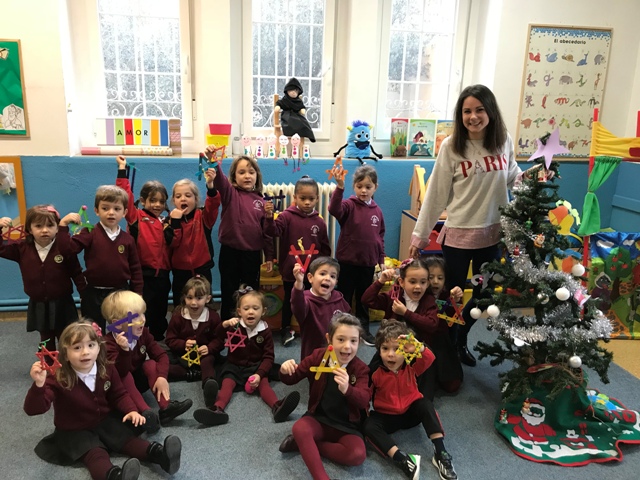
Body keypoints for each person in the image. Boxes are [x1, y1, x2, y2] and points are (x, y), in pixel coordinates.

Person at [409, 84, 527, 367]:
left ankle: (460, 338)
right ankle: (447, 347)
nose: (473, 117)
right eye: (466, 111)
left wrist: (533, 178)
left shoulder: (503, 140)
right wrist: (420, 235)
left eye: (479, 110)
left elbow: (512, 175)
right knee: (452, 297)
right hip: (459, 237)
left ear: (490, 111)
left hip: (494, 234)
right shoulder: (452, 146)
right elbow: (436, 193)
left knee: (484, 296)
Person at [23, 321, 182, 480]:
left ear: (99, 348)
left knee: (127, 440)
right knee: (95, 454)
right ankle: (115, 476)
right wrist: (38, 385)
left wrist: (131, 410)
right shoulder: (57, 377)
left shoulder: (106, 368)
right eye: (77, 347)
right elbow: (34, 409)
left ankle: (162, 456)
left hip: (104, 421)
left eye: (91, 345)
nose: (85, 352)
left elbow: (119, 394)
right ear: (65, 353)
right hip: (75, 430)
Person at [278, 312, 370, 480]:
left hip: (346, 426)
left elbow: (364, 400)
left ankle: (305, 445)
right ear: (329, 339)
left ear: (359, 342)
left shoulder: (361, 369)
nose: (347, 347)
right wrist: (285, 370)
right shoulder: (318, 356)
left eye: (353, 341)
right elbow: (293, 378)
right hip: (319, 418)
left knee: (357, 455)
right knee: (300, 428)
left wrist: (348, 389)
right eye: (341, 339)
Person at [364, 319, 458, 480]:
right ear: (379, 350)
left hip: (411, 415)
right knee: (368, 425)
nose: (390, 354)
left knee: (426, 404)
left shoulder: (411, 364)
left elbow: (429, 358)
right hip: (387, 417)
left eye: (396, 349)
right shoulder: (375, 371)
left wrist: (418, 347)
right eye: (385, 349)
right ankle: (401, 458)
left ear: (406, 350)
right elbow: (365, 395)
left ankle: (440, 452)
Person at [194, 286, 300, 426]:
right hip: (234, 365)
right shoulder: (235, 326)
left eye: (255, 308)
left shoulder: (265, 330)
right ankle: (217, 409)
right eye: (246, 309)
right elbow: (217, 336)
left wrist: (259, 374)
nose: (251, 312)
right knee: (227, 385)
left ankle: (277, 406)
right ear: (239, 312)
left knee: (264, 385)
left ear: (263, 311)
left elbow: (268, 357)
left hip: (256, 366)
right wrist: (224, 324)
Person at [361, 258, 462, 400]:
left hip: (419, 351)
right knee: (375, 377)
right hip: (395, 348)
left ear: (427, 283)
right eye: (412, 282)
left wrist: (406, 313)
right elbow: (367, 300)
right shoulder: (394, 297)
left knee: (440, 387)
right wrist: (380, 281)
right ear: (402, 282)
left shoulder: (428, 301)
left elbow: (432, 325)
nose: (418, 287)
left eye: (422, 282)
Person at [102, 290, 192, 433]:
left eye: (143, 314)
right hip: (119, 388)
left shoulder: (142, 333)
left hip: (137, 381)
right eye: (136, 317)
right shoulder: (108, 344)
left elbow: (161, 355)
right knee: (125, 375)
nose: (143, 320)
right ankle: (146, 412)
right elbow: (120, 373)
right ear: (117, 325)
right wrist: (124, 350)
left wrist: (162, 376)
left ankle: (165, 408)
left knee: (150, 364)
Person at [1, 205, 86, 351]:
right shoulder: (21, 249)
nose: (45, 230)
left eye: (50, 225)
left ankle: (69, 366)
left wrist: (85, 294)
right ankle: (48, 364)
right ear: (29, 229)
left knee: (67, 337)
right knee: (45, 338)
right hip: (39, 304)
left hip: (63, 303)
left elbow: (76, 272)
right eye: (38, 226)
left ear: (57, 228)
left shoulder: (64, 248)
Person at [58, 185, 143, 330]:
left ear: (124, 212)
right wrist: (63, 226)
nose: (111, 213)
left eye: (116, 209)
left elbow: (135, 268)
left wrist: (138, 294)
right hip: (94, 293)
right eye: (105, 208)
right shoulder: (89, 232)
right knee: (94, 330)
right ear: (96, 210)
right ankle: (97, 353)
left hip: (121, 292)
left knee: (121, 329)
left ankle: (119, 352)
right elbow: (68, 250)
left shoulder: (128, 239)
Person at [264, 175, 331, 346]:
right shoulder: (286, 217)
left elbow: (324, 247)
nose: (307, 202)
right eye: (303, 198)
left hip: (312, 272)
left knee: (312, 298)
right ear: (294, 198)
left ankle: (311, 326)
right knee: (289, 299)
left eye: (311, 199)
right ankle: (285, 328)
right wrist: (269, 217)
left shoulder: (320, 222)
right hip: (290, 271)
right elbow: (273, 232)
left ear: (317, 198)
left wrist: (325, 268)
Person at [115, 155, 174, 340]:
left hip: (163, 276)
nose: (157, 205)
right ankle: (137, 343)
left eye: (161, 201)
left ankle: (157, 340)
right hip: (142, 276)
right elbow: (124, 195)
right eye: (153, 200)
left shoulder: (166, 222)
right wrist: (122, 171)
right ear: (142, 200)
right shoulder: (136, 217)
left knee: (160, 310)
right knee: (140, 312)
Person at [211, 153, 275, 319]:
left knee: (250, 293)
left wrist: (269, 256)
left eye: (251, 172)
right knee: (228, 291)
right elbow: (219, 180)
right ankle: (227, 325)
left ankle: (249, 326)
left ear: (257, 176)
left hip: (252, 255)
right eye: (242, 172)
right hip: (230, 253)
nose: (247, 176)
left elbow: (267, 233)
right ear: (234, 176)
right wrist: (213, 161)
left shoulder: (261, 201)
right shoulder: (229, 193)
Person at [329, 164, 385, 345]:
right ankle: (342, 329)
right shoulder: (348, 205)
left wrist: (381, 259)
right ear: (354, 186)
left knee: (364, 298)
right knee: (344, 296)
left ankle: (363, 330)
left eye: (368, 187)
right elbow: (333, 209)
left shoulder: (377, 211)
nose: (363, 190)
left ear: (376, 187)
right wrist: (339, 187)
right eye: (359, 186)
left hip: (368, 263)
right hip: (347, 261)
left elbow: (380, 237)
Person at [164, 276, 222, 421]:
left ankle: (208, 383)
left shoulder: (213, 317)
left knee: (208, 362)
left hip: (204, 356)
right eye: (189, 298)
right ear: (184, 298)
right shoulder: (178, 317)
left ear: (208, 299)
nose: (194, 302)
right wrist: (183, 344)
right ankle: (192, 374)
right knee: (164, 366)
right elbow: (170, 340)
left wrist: (209, 348)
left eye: (199, 298)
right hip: (182, 356)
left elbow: (220, 340)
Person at [169, 171, 221, 307]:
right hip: (180, 273)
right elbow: (173, 242)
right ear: (173, 201)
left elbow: (214, 203)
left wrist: (210, 185)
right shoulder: (168, 221)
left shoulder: (203, 216)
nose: (183, 199)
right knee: (180, 307)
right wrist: (175, 222)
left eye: (188, 195)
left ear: (196, 199)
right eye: (178, 196)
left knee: (204, 306)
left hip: (202, 271)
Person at [291, 256, 351, 359]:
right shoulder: (306, 300)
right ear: (310, 278)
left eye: (332, 276)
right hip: (313, 354)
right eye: (322, 274)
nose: (327, 278)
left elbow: (349, 321)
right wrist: (299, 283)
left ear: (336, 282)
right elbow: (298, 306)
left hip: (338, 353)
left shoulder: (339, 298)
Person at [274, 77, 316, 143]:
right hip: (287, 114)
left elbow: (301, 106)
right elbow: (280, 103)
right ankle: (289, 135)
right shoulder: (285, 99)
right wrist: (278, 107)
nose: (293, 93)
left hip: (297, 115)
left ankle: (310, 135)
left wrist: (302, 109)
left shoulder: (298, 101)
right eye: (291, 90)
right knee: (290, 122)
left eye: (296, 91)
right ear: (287, 91)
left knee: (304, 122)